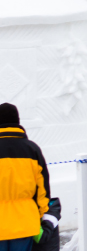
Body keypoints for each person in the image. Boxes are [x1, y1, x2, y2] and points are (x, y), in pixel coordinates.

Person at [0, 103, 51, 251]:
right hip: (26, 222)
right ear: (17, 121)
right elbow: (43, 189)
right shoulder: (32, 149)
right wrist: (40, 215)